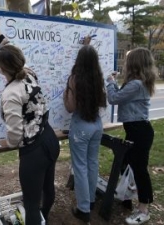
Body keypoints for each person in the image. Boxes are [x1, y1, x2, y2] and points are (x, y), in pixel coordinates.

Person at [0, 18, 60, 225]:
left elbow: (14, 132)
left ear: (1, 69)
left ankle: (38, 220)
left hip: (33, 151)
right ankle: (44, 218)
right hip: (50, 139)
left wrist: (11, 144)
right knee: (48, 188)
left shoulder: (11, 93)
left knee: (30, 201)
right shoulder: (29, 72)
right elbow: (13, 51)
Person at [106, 47, 157, 225]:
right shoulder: (138, 82)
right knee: (124, 162)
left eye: (128, 60)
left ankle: (144, 210)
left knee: (140, 170)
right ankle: (127, 195)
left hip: (140, 132)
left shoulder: (136, 84)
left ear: (134, 63)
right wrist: (116, 82)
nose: (125, 63)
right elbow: (123, 96)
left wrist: (110, 82)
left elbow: (113, 98)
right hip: (136, 129)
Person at [63, 36, 107, 223]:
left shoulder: (75, 79)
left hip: (81, 126)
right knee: (92, 163)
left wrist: (67, 94)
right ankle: (90, 201)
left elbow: (70, 107)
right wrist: (86, 46)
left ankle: (83, 210)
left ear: (78, 62)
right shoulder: (98, 77)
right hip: (97, 125)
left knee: (80, 167)